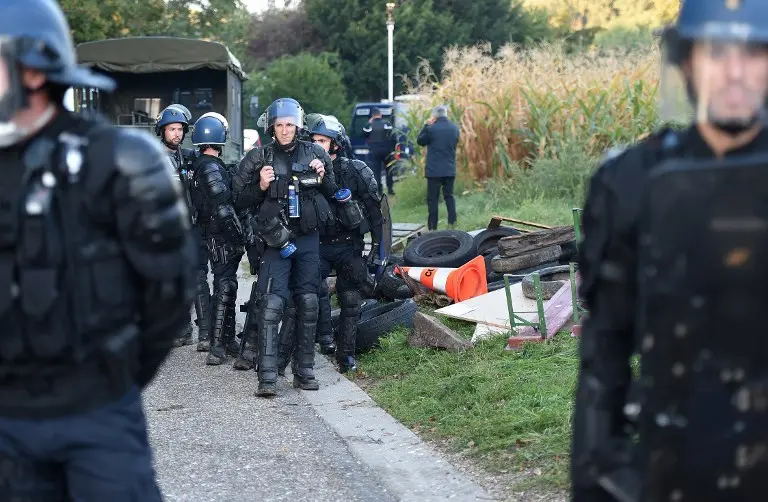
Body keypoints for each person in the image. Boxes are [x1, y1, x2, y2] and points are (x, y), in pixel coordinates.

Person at [570, 1, 768, 501]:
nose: (735, 72)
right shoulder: (632, 183)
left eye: (754, 51)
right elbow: (606, 351)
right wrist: (598, 481)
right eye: (717, 51)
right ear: (686, 62)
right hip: (675, 462)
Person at [0, 0, 195, 499]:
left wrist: (109, 379)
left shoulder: (123, 162)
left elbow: (169, 294)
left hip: (99, 414)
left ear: (34, 68)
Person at [232, 98, 339, 397]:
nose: (284, 130)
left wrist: (323, 175)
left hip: (307, 238)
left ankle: (304, 372)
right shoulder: (259, 157)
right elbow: (238, 199)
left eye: (289, 124)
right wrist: (262, 187)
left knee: (307, 302)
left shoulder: (317, 152)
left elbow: (334, 193)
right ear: (271, 127)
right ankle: (267, 376)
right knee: (271, 304)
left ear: (298, 125)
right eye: (279, 125)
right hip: (275, 240)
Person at [278, 114, 383, 374]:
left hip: (349, 245)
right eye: (313, 140)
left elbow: (376, 214)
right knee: (303, 298)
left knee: (350, 301)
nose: (316, 145)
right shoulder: (300, 169)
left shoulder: (357, 170)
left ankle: (345, 355)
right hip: (317, 246)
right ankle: (280, 360)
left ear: (335, 143)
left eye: (322, 140)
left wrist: (379, 252)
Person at [188, 113, 245, 365]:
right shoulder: (210, 166)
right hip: (219, 235)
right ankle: (218, 345)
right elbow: (222, 206)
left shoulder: (200, 164)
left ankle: (226, 339)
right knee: (224, 287)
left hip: (210, 232)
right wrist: (238, 237)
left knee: (226, 284)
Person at [156, 103, 202, 349]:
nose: (176, 134)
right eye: (171, 129)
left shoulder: (190, 157)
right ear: (162, 131)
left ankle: (186, 328)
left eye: (179, 129)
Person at [417, 105, 460, 231]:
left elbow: (420, 141)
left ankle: (432, 226)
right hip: (449, 169)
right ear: (446, 114)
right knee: (449, 196)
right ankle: (452, 223)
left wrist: (426, 125)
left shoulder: (431, 129)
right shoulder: (454, 128)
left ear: (435, 116)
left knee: (433, 199)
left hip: (434, 171)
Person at [363, 108, 396, 196]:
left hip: (375, 151)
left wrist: (369, 122)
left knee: (376, 171)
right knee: (389, 169)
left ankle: (379, 190)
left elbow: (364, 134)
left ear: (373, 116)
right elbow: (393, 136)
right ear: (380, 115)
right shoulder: (387, 123)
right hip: (386, 150)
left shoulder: (369, 125)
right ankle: (390, 189)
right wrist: (393, 149)